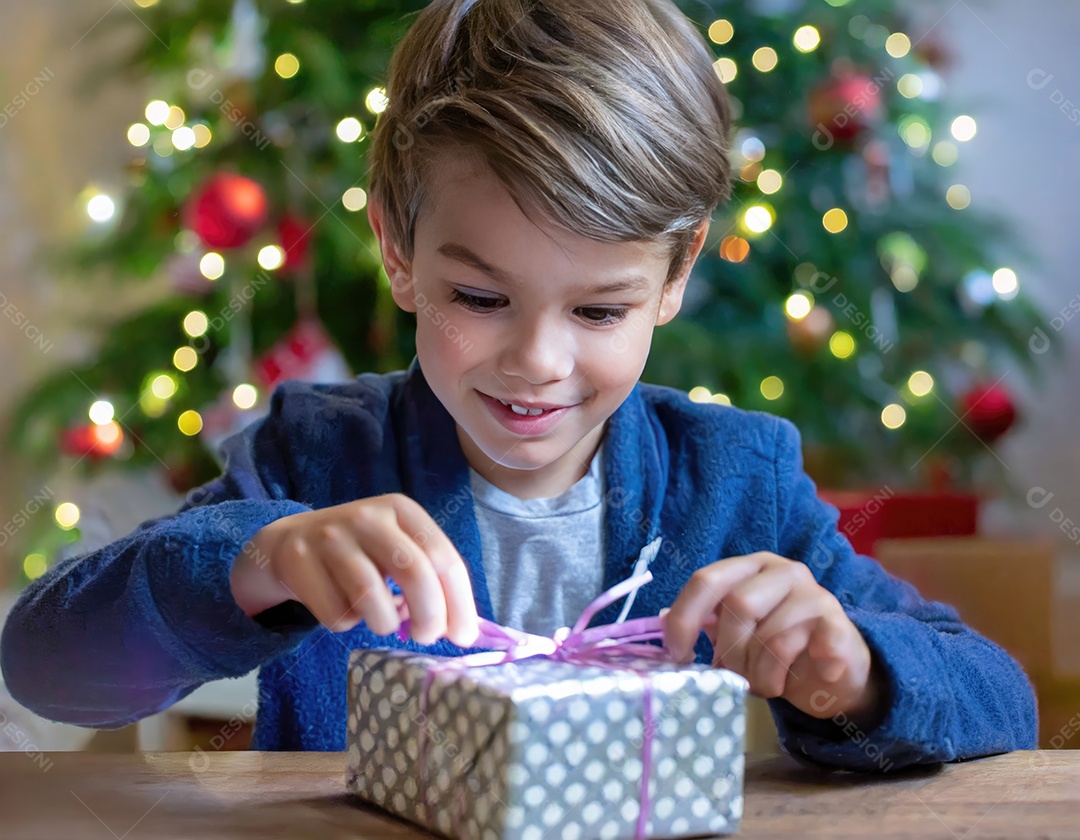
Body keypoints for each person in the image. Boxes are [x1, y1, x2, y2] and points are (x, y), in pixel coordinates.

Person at [1, 0, 1035, 770]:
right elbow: (49, 666)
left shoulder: (735, 487)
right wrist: (255, 561)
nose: (537, 362)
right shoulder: (319, 463)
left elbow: (1003, 701)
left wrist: (855, 673)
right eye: (480, 297)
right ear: (397, 247)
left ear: (675, 275)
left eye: (597, 312)